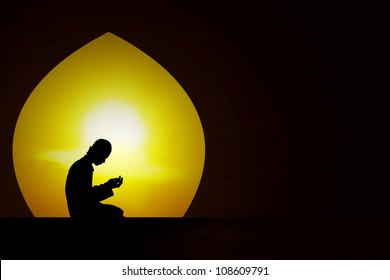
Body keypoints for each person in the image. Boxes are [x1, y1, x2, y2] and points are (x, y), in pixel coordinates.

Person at [65, 139, 124, 220]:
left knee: (117, 212)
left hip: (80, 210)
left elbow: (87, 195)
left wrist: (108, 186)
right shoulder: (82, 167)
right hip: (82, 213)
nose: (103, 161)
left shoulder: (82, 166)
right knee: (116, 213)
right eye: (104, 157)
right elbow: (86, 198)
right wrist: (108, 186)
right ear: (98, 152)